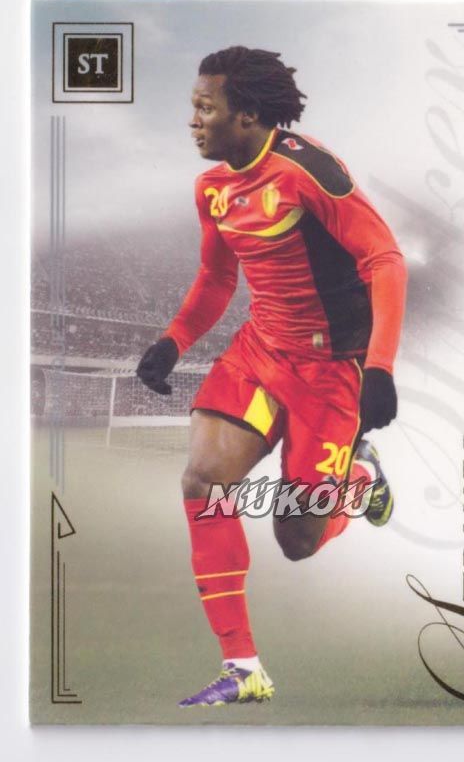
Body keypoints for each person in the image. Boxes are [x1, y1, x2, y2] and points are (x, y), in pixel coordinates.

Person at [137, 46, 407, 708]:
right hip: (260, 352)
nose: (193, 121)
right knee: (203, 481)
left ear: (248, 114)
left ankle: (360, 479)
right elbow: (216, 277)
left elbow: (385, 258)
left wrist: (378, 368)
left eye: (205, 108)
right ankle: (243, 668)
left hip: (331, 368)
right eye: (193, 107)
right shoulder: (212, 188)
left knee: (297, 538)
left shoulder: (309, 173)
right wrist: (173, 341)